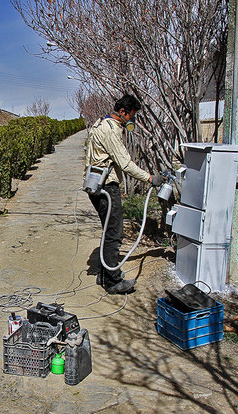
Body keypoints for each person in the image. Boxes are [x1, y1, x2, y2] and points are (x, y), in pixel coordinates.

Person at [84, 94, 163, 294]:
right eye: (131, 115)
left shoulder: (100, 123)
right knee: (115, 233)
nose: (132, 120)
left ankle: (104, 274)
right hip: (107, 187)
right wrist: (149, 178)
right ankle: (113, 281)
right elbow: (125, 164)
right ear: (122, 112)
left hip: (95, 184)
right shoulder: (110, 131)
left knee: (109, 231)